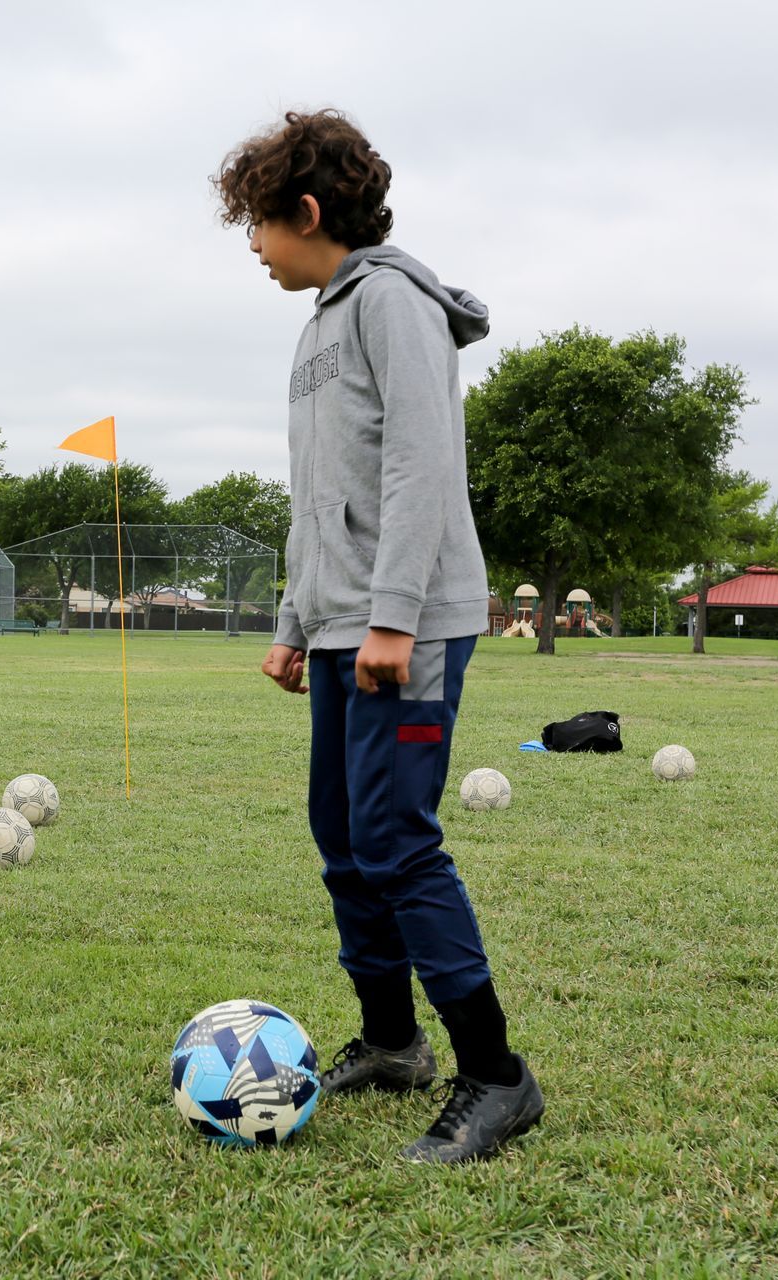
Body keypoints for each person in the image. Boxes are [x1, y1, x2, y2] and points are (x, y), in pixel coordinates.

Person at [213, 109, 543, 1162]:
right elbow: (322, 493)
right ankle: (397, 1042)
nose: (254, 248)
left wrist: (394, 617)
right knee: (344, 840)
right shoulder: (318, 324)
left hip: (407, 626)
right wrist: (293, 621)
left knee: (398, 840)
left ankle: (498, 1075)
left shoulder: (392, 302)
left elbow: (418, 466)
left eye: (257, 226)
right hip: (339, 628)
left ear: (306, 212)